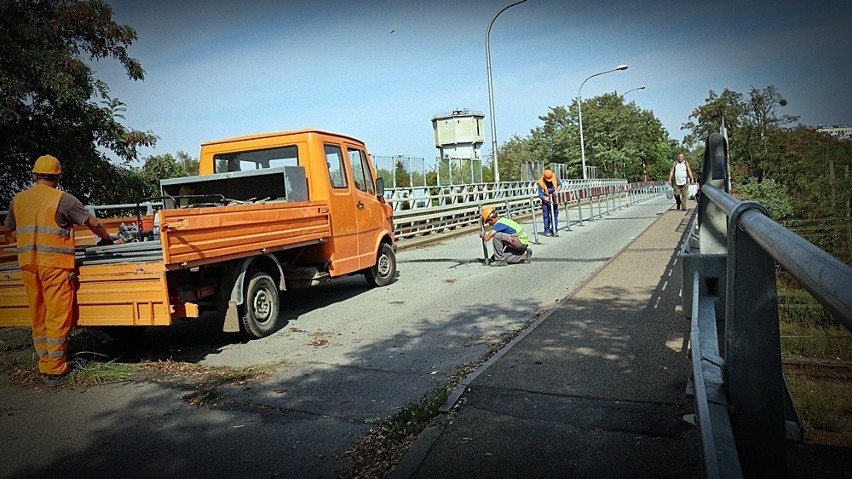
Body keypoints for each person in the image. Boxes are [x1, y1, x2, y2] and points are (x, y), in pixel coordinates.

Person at [4, 155, 114, 385]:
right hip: (54, 265)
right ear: (57, 176)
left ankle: (44, 361)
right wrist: (107, 239)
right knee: (57, 314)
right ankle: (55, 369)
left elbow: (11, 230)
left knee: (38, 313)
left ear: (34, 176)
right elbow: (92, 223)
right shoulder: (64, 199)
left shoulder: (19, 199)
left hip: (28, 263)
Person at [536, 168, 562, 236]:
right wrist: (545, 198)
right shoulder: (540, 182)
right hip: (546, 201)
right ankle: (547, 230)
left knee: (555, 214)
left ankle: (554, 229)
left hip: (554, 198)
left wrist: (556, 191)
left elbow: (560, 185)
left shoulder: (554, 177)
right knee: (546, 216)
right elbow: (540, 194)